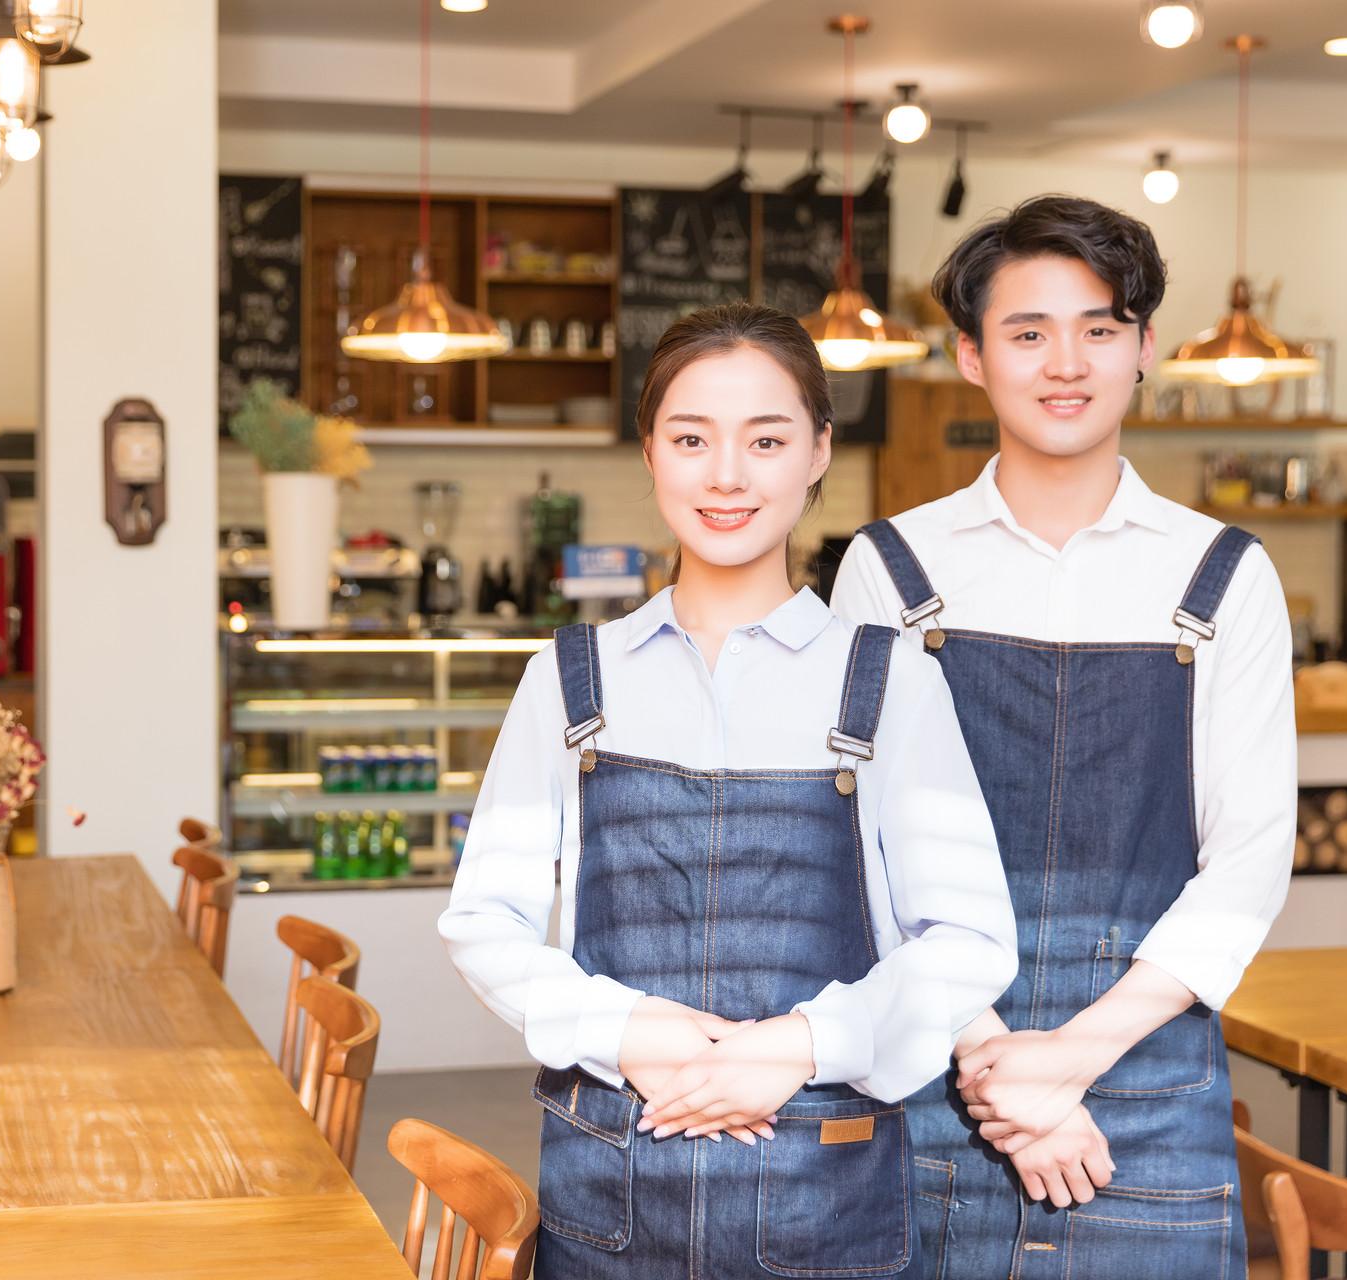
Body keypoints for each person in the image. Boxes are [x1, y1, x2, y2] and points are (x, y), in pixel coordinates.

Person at [439, 301, 1017, 1278]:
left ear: (819, 451)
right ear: (650, 450)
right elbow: (481, 921)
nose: (727, 475)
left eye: (767, 438)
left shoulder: (890, 680)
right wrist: (627, 1026)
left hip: (828, 1196)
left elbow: (969, 941)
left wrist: (800, 1041)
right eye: (692, 437)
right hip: (612, 1191)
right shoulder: (573, 676)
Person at [832, 195, 1296, 1278]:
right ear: (971, 357)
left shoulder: (1223, 575)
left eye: (1098, 327)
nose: (1065, 361)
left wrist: (1063, 1062)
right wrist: (994, 1059)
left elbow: (1249, 859)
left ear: (1143, 349)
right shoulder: (891, 569)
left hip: (1150, 1072)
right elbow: (861, 847)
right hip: (936, 1067)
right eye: (1027, 332)